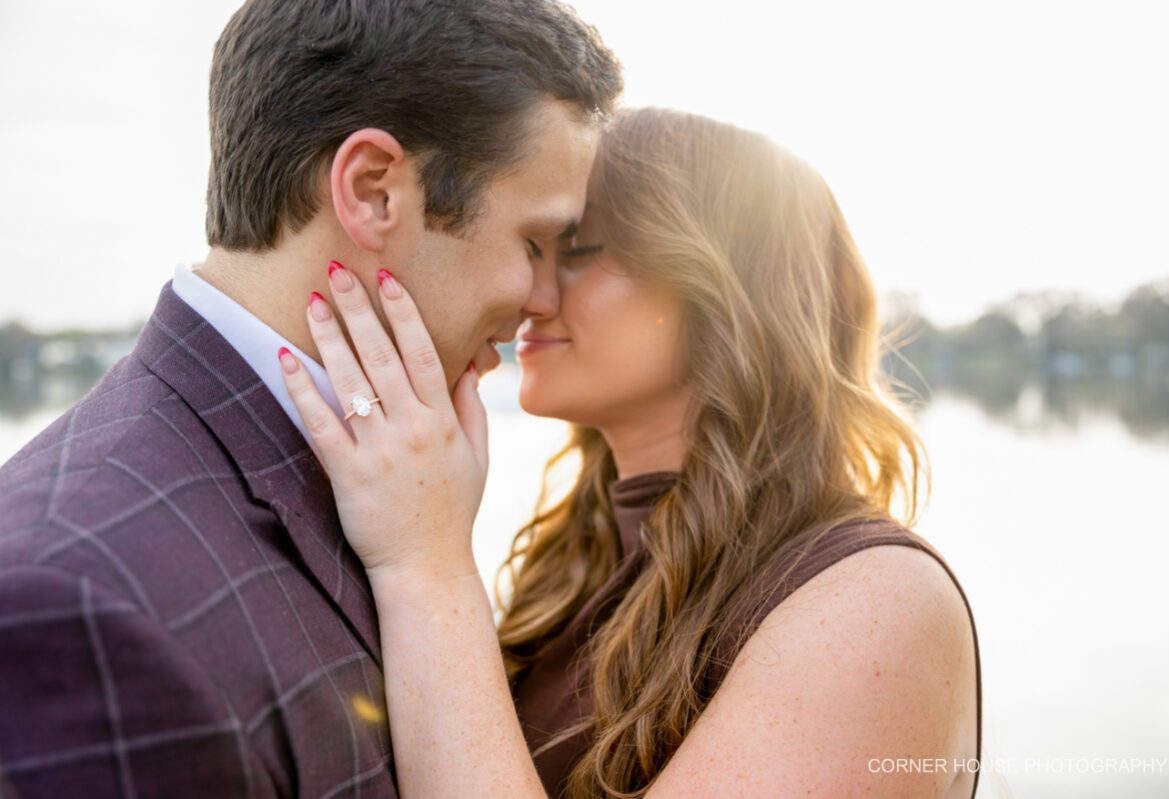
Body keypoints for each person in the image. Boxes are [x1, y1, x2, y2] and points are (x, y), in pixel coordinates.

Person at [0, 1, 621, 796]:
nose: (542, 296)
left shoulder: (392, 482)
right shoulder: (76, 609)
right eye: (533, 241)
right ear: (372, 191)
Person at [279, 107, 983, 798]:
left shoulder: (873, 604)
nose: (531, 292)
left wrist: (426, 560)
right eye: (533, 247)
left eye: (577, 250)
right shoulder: (576, 564)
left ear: (726, 290)